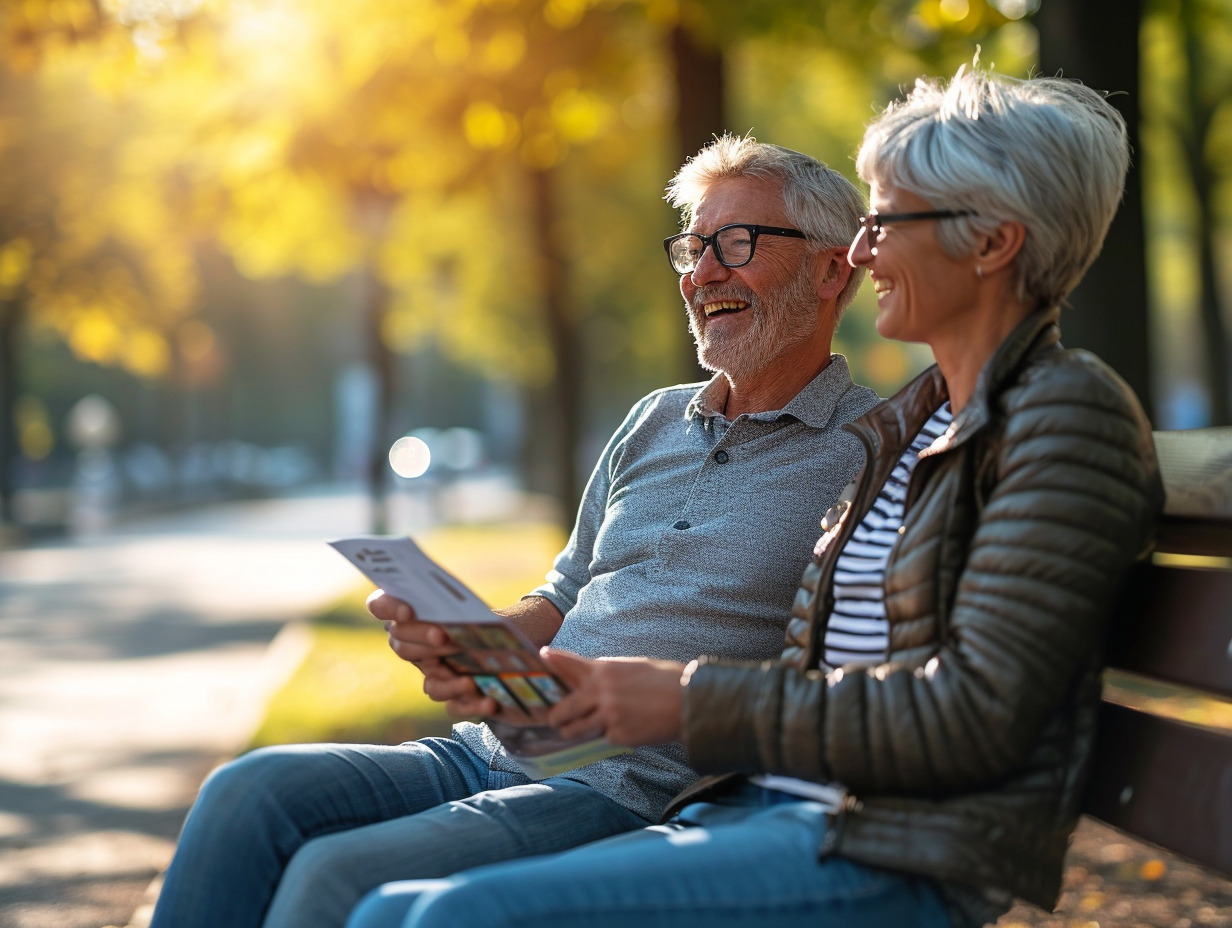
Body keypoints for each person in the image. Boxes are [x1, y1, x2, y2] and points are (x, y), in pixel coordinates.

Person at [341, 66, 1165, 928]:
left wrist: (686, 699)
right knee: (394, 907)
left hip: (894, 851)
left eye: (887, 221)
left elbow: (977, 712)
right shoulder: (922, 421)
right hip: (771, 806)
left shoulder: (1066, 416)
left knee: (445, 918)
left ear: (993, 243)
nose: (863, 250)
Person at [147, 135, 881, 928]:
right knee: (243, 793)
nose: (701, 273)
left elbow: (852, 681)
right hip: (490, 744)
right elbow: (565, 590)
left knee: (334, 874)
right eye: (692, 247)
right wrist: (478, 639)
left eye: (734, 244)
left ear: (831, 268)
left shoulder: (872, 451)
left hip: (627, 790)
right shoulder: (652, 420)